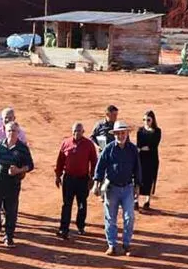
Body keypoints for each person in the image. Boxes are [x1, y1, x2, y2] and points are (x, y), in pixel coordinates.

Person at [92, 120, 141, 256]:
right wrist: (96, 183)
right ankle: (112, 245)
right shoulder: (108, 149)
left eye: (123, 133)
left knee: (129, 217)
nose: (121, 136)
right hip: (111, 188)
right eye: (118, 133)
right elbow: (100, 167)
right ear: (114, 135)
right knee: (110, 217)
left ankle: (126, 245)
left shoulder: (132, 149)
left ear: (127, 134)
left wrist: (137, 185)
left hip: (127, 188)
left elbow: (137, 168)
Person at [0, 121, 34, 248]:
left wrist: (18, 170)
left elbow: (30, 165)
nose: (11, 133)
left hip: (13, 184)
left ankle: (9, 236)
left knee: (10, 211)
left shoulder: (22, 148)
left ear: (18, 133)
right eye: (9, 130)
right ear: (5, 132)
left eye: (14, 131)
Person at [54, 121, 98, 239]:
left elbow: (94, 162)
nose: (76, 133)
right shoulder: (66, 143)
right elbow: (60, 161)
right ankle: (64, 229)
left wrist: (92, 178)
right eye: (74, 131)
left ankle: (80, 226)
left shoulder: (89, 144)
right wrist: (58, 176)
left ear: (83, 132)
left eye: (78, 131)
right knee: (66, 204)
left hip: (83, 179)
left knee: (82, 204)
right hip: (68, 179)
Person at [135, 110, 162, 211]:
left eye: (148, 120)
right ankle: (136, 200)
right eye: (144, 119)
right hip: (141, 158)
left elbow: (153, 146)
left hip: (152, 159)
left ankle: (147, 201)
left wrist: (143, 148)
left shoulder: (157, 131)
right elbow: (139, 144)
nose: (146, 121)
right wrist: (142, 148)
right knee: (138, 178)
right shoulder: (140, 130)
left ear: (153, 120)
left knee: (150, 179)